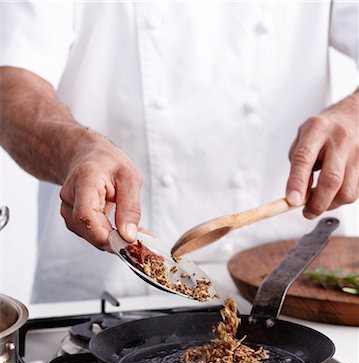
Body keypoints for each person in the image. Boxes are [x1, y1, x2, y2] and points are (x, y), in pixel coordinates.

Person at [0, 2, 358, 303]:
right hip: (109, 291)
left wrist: (354, 114)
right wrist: (74, 150)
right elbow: (11, 85)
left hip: (288, 287)